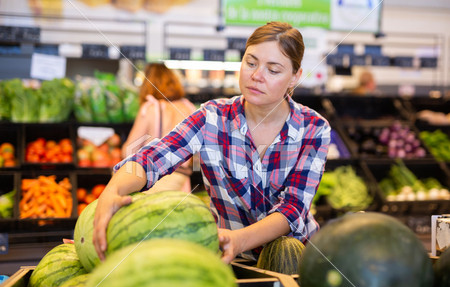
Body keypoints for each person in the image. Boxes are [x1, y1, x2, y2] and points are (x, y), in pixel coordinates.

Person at [93, 21, 331, 263]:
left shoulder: (313, 128)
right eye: (251, 63)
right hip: (230, 257)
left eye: (273, 70)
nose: (257, 76)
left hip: (297, 259)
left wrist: (240, 239)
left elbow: (292, 209)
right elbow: (152, 158)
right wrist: (113, 190)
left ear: (295, 77)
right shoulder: (212, 117)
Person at [121, 62, 196, 193]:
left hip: (155, 183)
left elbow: (128, 150)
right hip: (182, 182)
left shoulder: (150, 108)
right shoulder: (189, 107)